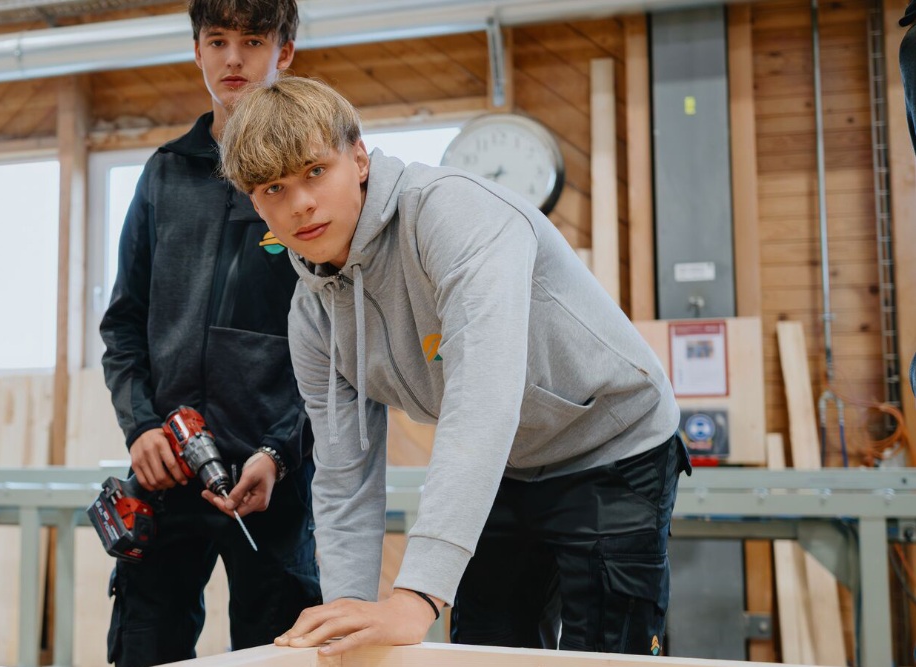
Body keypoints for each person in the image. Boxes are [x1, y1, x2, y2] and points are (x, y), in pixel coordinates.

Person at [218, 75, 689, 656]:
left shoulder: (455, 214)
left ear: (359, 158)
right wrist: (350, 621)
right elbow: (345, 472)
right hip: (506, 468)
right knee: (486, 650)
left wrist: (417, 596)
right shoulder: (313, 315)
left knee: (603, 654)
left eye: (315, 171)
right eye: (272, 188)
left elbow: (482, 401)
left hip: (611, 445)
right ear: (255, 202)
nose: (300, 204)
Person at [98, 0, 321, 664]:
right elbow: (123, 323)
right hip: (167, 471)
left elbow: (340, 349)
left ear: (284, 51)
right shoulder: (164, 173)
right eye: (217, 40)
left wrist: (280, 452)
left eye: (252, 40)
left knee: (276, 653)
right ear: (195, 48)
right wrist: (140, 426)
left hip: (270, 479)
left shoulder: (311, 182)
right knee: (144, 647)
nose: (232, 58)